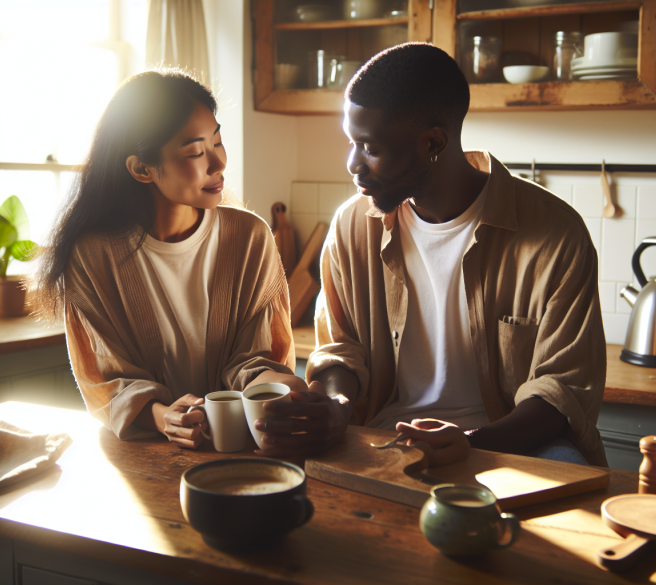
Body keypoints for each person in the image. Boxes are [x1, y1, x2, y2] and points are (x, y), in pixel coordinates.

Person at [255, 43, 608, 467]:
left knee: (568, 470)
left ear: (433, 143)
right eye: (351, 142)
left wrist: (470, 443)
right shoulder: (353, 226)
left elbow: (561, 391)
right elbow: (340, 351)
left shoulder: (555, 234)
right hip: (383, 434)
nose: (352, 164)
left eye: (369, 147)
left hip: (509, 440)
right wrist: (335, 405)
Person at [31, 69, 306, 447]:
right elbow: (107, 382)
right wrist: (165, 417)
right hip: (144, 452)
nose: (218, 163)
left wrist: (283, 389)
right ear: (141, 168)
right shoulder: (93, 255)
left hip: (239, 448)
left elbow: (258, 360)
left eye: (218, 142)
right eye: (195, 151)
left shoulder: (250, 238)